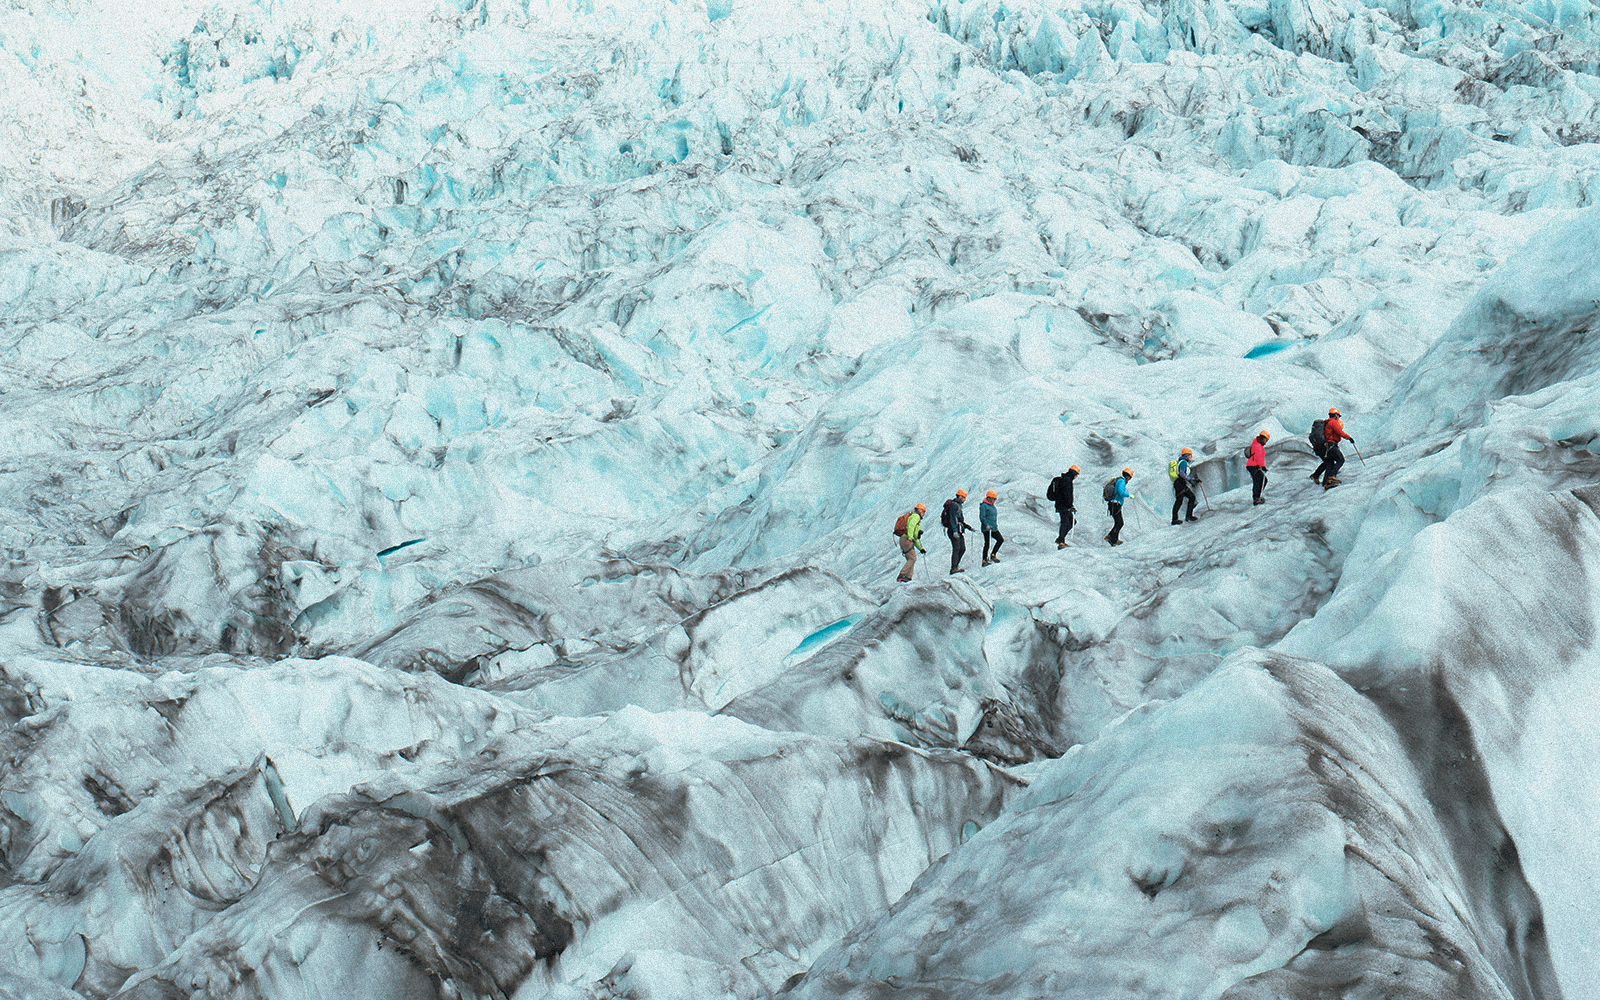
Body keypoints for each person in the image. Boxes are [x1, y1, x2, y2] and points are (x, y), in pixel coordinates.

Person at [1047, 465, 1079, 548]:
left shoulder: (1064, 478)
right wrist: (1070, 505)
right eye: (1077, 474)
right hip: (1064, 506)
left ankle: (1060, 539)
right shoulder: (1067, 481)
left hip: (1060, 504)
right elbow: (1067, 495)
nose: (1076, 477)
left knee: (1070, 522)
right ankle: (1061, 541)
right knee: (1066, 522)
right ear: (1074, 473)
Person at [942, 489, 974, 573]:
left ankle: (955, 566)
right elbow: (952, 518)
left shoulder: (958, 506)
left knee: (962, 548)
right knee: (957, 548)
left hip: (957, 530)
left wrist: (968, 527)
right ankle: (954, 568)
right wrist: (955, 531)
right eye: (964, 498)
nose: (964, 500)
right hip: (953, 530)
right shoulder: (954, 505)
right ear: (960, 496)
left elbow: (960, 520)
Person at [895, 503, 927, 582]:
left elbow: (914, 539)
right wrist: (909, 538)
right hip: (906, 539)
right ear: (919, 510)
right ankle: (902, 574)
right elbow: (911, 526)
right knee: (912, 558)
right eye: (923, 512)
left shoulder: (913, 516)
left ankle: (908, 577)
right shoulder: (916, 516)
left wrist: (921, 549)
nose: (924, 514)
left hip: (904, 539)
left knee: (911, 558)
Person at [1322, 408, 1353, 489]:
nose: (1338, 417)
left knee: (1330, 464)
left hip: (1328, 446)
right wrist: (1349, 438)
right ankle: (1331, 477)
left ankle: (1326, 483)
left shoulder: (1328, 422)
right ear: (1335, 415)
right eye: (1338, 415)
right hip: (1332, 445)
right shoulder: (1333, 422)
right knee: (1340, 459)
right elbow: (1339, 432)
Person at [1104, 468, 1132, 546]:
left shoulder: (1118, 480)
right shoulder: (1122, 481)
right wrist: (1129, 495)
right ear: (1128, 477)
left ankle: (1114, 540)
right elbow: (1121, 492)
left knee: (1118, 522)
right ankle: (1110, 536)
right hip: (1115, 504)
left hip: (1112, 504)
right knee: (1120, 522)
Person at [1170, 448, 1199, 524]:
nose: (1191, 457)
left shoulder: (1182, 462)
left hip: (1180, 483)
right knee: (1179, 500)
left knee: (1190, 497)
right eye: (1190, 455)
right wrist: (1191, 479)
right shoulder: (1183, 462)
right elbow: (1182, 473)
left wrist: (1192, 480)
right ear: (1187, 455)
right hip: (1180, 484)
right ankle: (1175, 520)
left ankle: (1188, 516)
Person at [979, 490, 1004, 565]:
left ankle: (993, 555)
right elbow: (982, 517)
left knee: (1000, 539)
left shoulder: (991, 505)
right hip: (986, 528)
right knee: (987, 543)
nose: (995, 501)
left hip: (993, 528)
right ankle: (984, 560)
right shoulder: (984, 506)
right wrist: (986, 525)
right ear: (989, 498)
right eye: (994, 499)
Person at [1247, 431, 1269, 505]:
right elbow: (1258, 457)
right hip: (1253, 466)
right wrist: (1262, 466)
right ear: (1263, 438)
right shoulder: (1257, 446)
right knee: (1261, 480)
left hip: (1253, 465)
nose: (1266, 442)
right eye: (1266, 440)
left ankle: (1257, 497)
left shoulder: (1257, 445)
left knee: (1260, 480)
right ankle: (1256, 498)